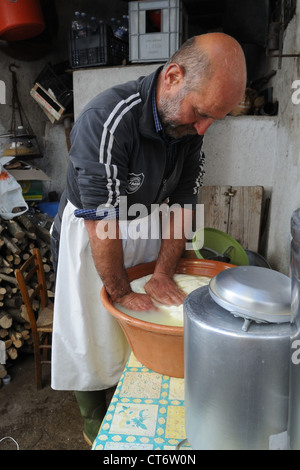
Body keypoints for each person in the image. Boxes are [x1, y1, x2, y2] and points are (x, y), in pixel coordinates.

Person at [50, 32, 247, 445]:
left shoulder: (190, 130)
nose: (204, 127)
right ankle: (92, 415)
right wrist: (120, 291)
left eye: (215, 118)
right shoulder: (108, 119)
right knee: (90, 320)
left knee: (139, 320)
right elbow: (102, 223)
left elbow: (183, 206)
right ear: (173, 76)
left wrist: (162, 272)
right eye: (202, 112)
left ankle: (129, 387)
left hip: (143, 218)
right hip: (90, 229)